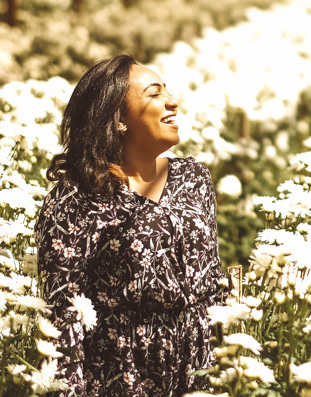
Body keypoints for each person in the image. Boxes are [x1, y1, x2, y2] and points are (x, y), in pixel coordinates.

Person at [36, 54, 226, 396]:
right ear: (119, 119)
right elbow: (64, 315)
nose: (172, 101)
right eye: (154, 93)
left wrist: (228, 364)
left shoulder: (193, 179)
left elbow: (214, 280)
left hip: (199, 369)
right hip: (122, 376)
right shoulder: (77, 197)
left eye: (167, 91)